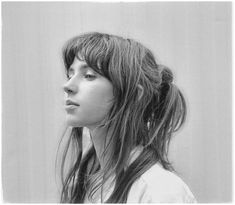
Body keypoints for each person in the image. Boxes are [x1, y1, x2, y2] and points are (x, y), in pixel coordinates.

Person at [59, 32, 196, 203]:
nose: (67, 86)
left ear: (134, 95)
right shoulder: (84, 186)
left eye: (88, 76)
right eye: (70, 75)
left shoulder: (161, 192)